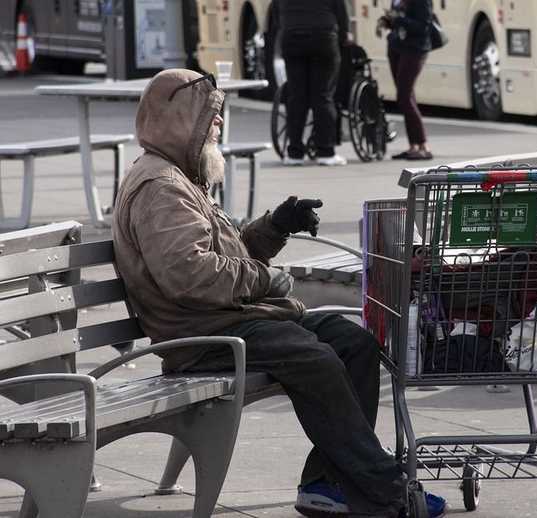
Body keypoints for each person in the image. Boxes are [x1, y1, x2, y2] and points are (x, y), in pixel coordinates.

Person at [112, 69, 446, 518]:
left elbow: (222, 256)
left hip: (228, 317)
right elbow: (190, 276)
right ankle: (386, 489)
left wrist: (275, 228)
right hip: (200, 334)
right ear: (179, 121)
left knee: (354, 343)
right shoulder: (160, 187)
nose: (218, 127)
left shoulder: (180, 177)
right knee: (314, 357)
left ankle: (327, 484)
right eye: (210, 118)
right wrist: (266, 279)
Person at [273, 0, 349, 166]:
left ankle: (294, 153)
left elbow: (276, 15)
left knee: (297, 97)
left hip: (292, 38)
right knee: (323, 96)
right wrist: (343, 38)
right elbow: (341, 12)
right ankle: (326, 152)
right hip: (323, 37)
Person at [378, 0, 434, 161]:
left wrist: (398, 20)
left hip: (415, 49)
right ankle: (413, 145)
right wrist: (386, 21)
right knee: (406, 96)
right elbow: (397, 18)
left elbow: (423, 26)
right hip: (397, 47)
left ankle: (423, 145)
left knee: (404, 96)